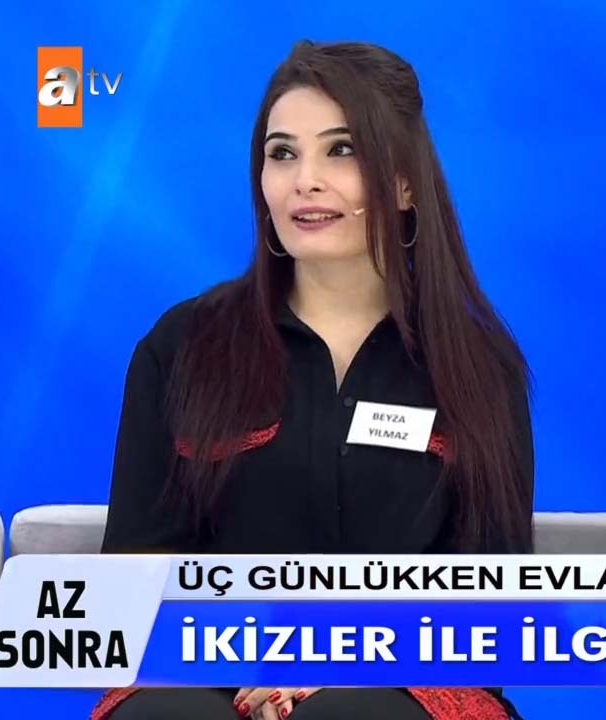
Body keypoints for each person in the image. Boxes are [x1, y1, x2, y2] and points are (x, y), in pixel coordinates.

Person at [92, 40, 533, 720]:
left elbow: (491, 611)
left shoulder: (477, 367)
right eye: (282, 154)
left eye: (341, 150)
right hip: (205, 676)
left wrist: (341, 657)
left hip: (408, 683)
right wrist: (262, 659)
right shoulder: (183, 347)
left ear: (405, 183)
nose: (305, 180)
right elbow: (136, 574)